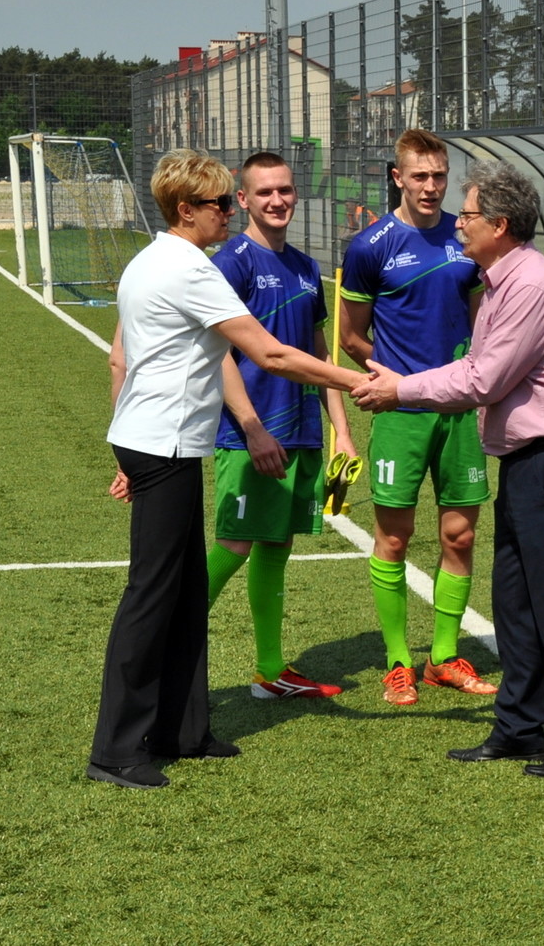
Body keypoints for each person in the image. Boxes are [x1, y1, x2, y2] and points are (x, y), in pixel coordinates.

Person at [91, 148, 367, 789]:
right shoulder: (191, 268)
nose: (227, 212)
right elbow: (271, 354)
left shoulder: (156, 258)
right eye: (219, 203)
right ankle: (116, 750)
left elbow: (123, 360)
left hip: (162, 444)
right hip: (162, 447)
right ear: (186, 210)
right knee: (151, 598)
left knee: (187, 591)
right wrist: (356, 383)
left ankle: (183, 730)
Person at [353, 160, 544, 778]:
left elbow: (484, 378)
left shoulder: (529, 285)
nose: (460, 223)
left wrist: (402, 389)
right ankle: (520, 728)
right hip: (529, 464)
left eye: (470, 214)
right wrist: (408, 383)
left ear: (500, 225)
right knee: (516, 604)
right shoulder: (504, 279)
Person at [340, 129, 495, 706]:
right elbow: (351, 337)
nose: (431, 187)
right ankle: (398, 662)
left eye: (439, 176)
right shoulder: (369, 247)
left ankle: (445, 657)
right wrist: (395, 379)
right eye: (420, 176)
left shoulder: (466, 236)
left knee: (461, 534)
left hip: (458, 410)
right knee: (394, 536)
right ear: (397, 178)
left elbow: (483, 322)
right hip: (401, 411)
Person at [205, 152, 357, 699]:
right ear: (243, 199)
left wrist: (341, 430)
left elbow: (317, 352)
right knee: (234, 544)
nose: (277, 201)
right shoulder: (232, 262)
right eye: (265, 192)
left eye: (285, 190)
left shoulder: (307, 267)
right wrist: (252, 428)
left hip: (301, 432)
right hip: (250, 434)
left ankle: (270, 671)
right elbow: (217, 354)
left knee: (276, 546)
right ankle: (163, 655)